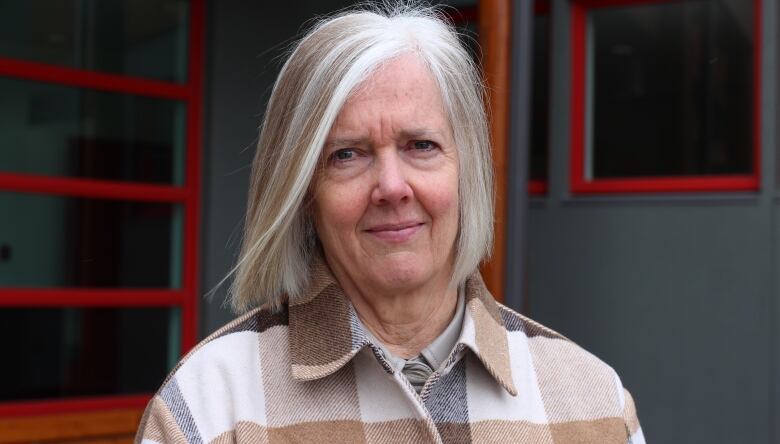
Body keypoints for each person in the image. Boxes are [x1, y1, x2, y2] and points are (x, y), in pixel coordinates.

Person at [136, 4, 644, 443]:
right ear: (303, 192)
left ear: (466, 171)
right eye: (347, 155)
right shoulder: (210, 406)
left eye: (421, 146)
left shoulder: (591, 400)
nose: (393, 187)